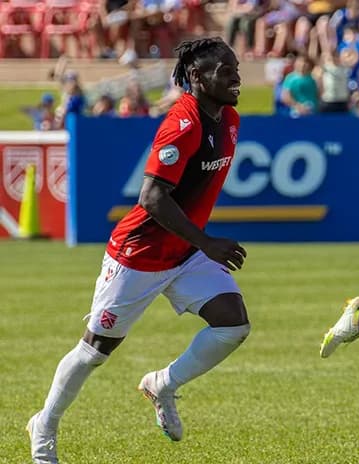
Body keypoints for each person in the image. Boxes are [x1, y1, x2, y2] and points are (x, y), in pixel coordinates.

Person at [26, 37, 249, 464]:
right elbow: (152, 196)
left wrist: (197, 244)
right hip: (138, 254)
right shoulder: (182, 124)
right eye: (226, 71)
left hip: (183, 253)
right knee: (94, 351)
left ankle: (163, 384)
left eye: (236, 68)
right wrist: (207, 242)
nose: (236, 78)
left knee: (233, 324)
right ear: (197, 77)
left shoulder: (230, 119)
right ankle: (45, 424)